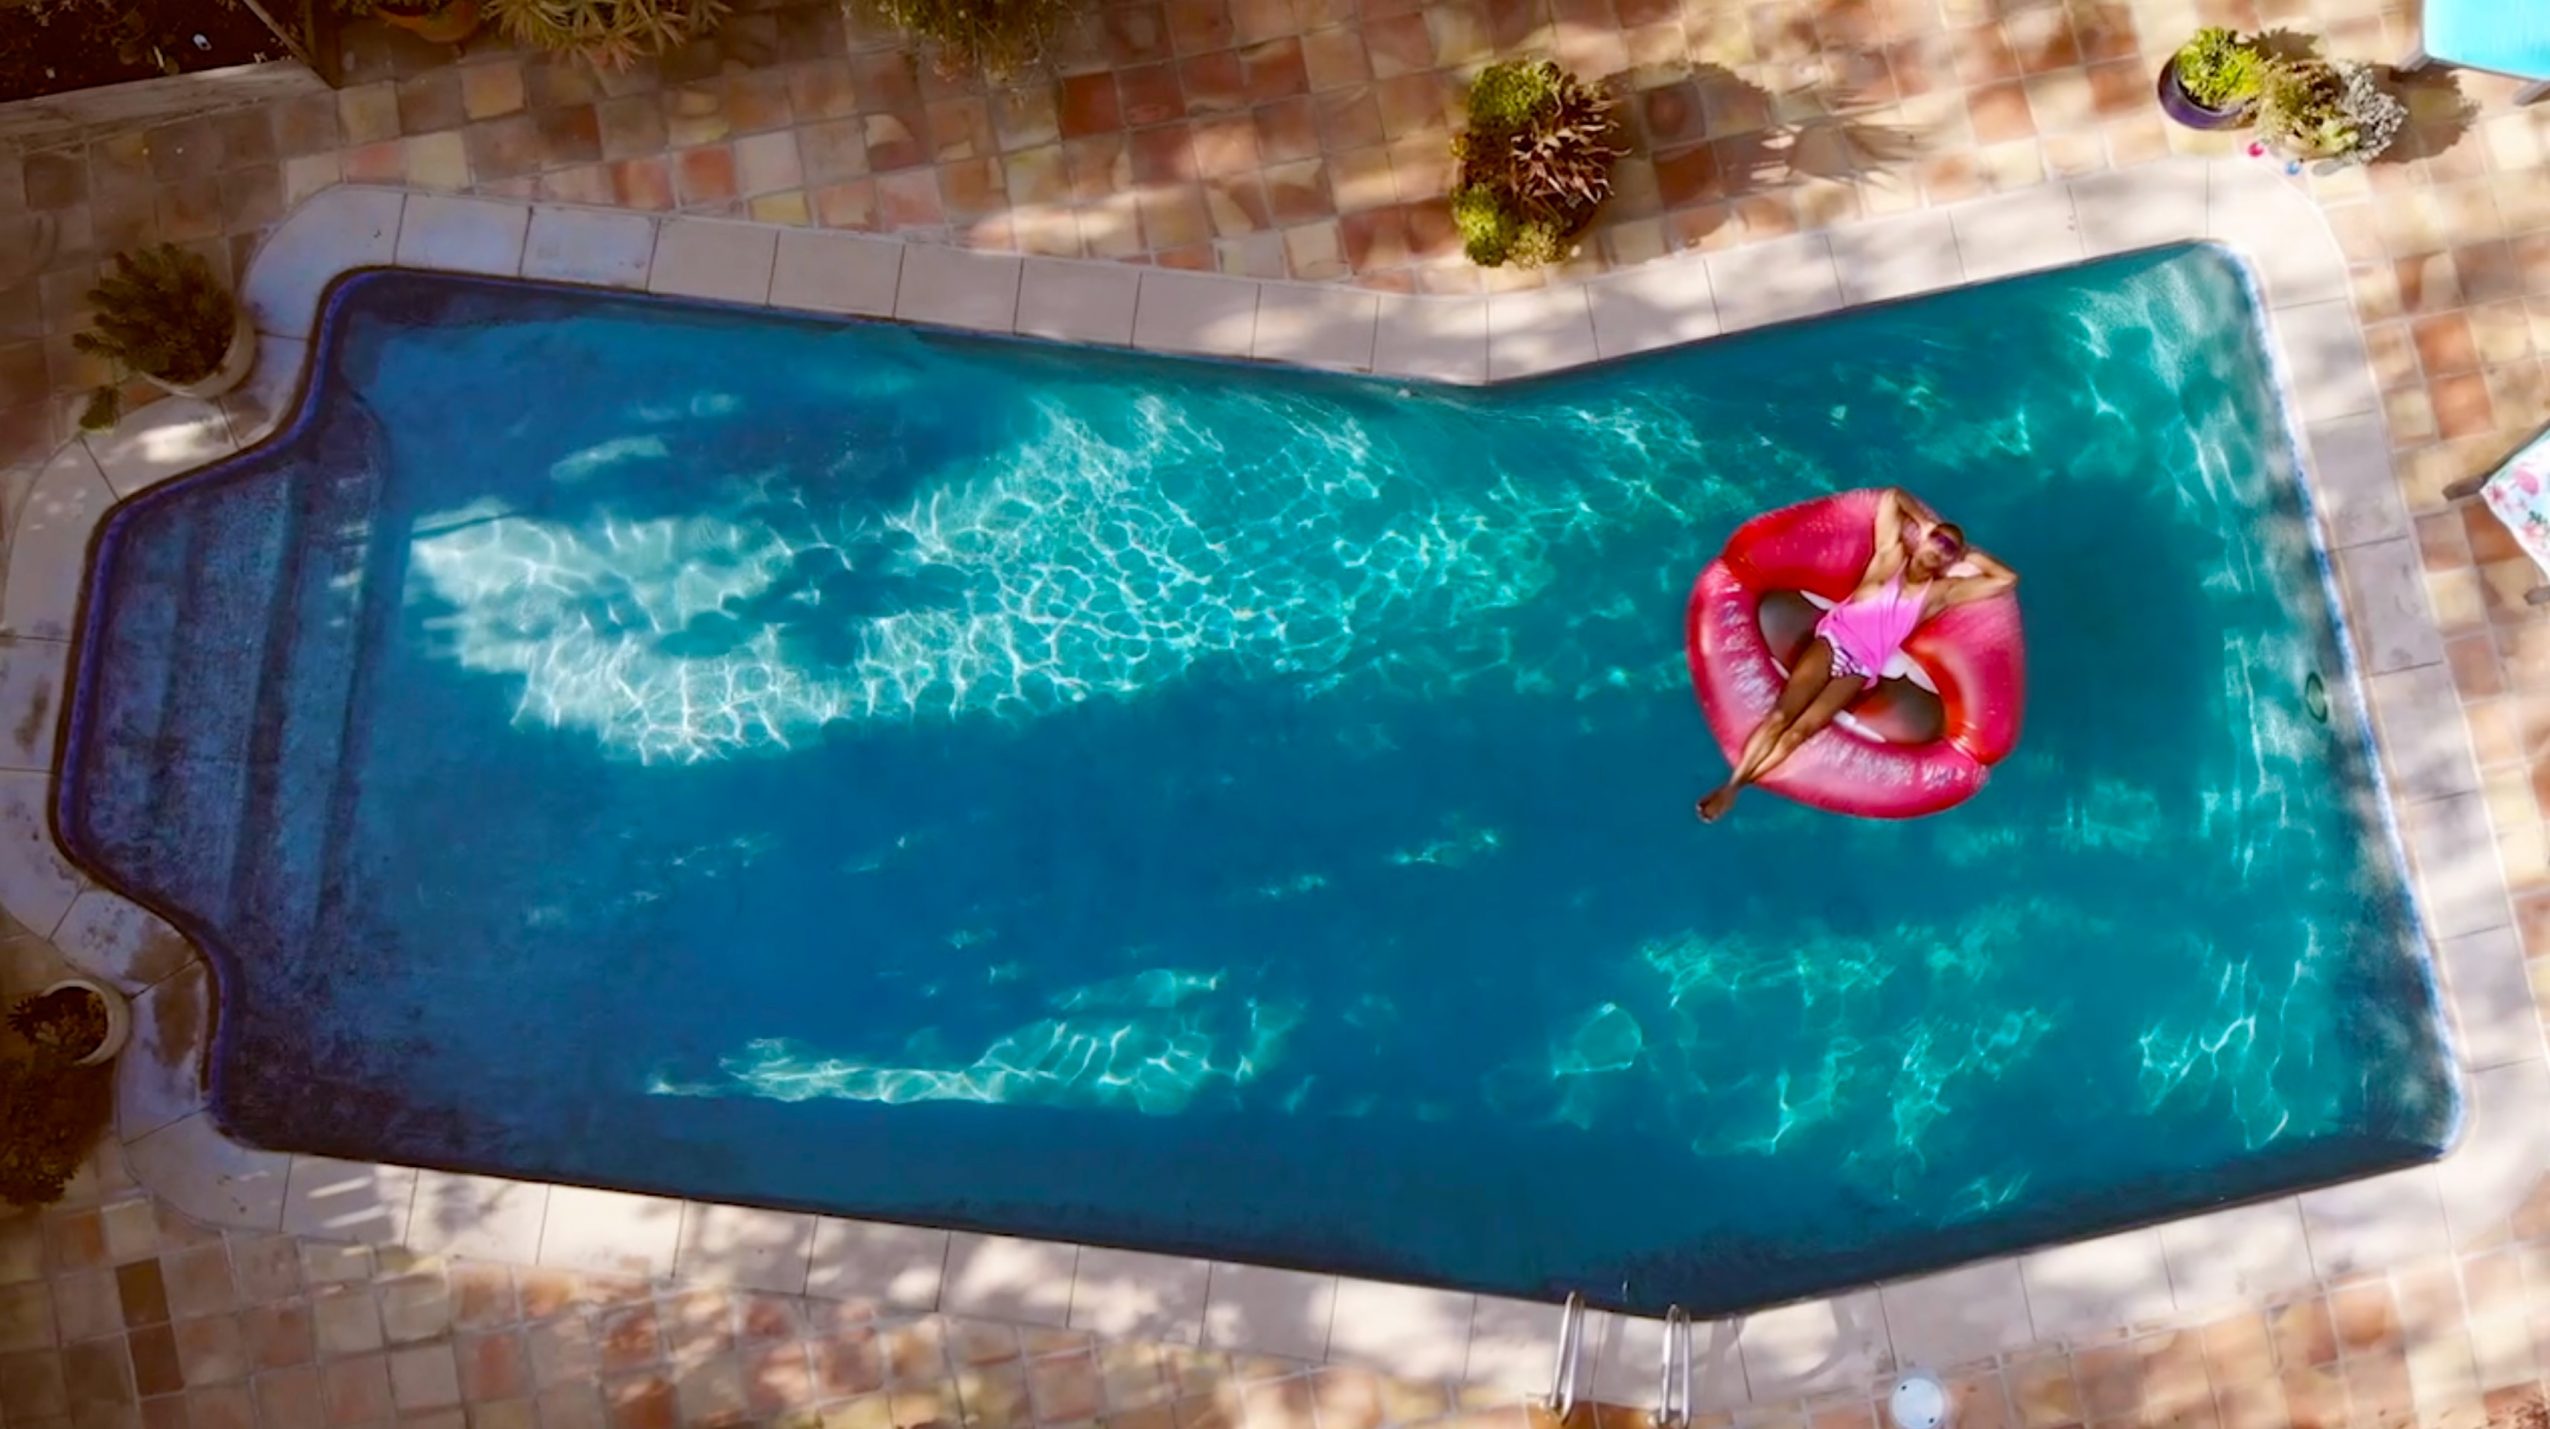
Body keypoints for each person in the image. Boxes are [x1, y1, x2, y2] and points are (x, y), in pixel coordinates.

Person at [1696, 489, 2017, 824]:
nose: (1939, 549)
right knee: (1781, 716)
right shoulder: (1888, 560)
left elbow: (2007, 579)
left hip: (1861, 668)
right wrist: (1924, 524)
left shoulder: (1938, 594)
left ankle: (1737, 788)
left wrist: (1968, 555)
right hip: (1834, 642)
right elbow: (1892, 497)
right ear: (1924, 539)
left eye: (1948, 548)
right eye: (1937, 540)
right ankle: (1729, 787)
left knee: (1799, 732)